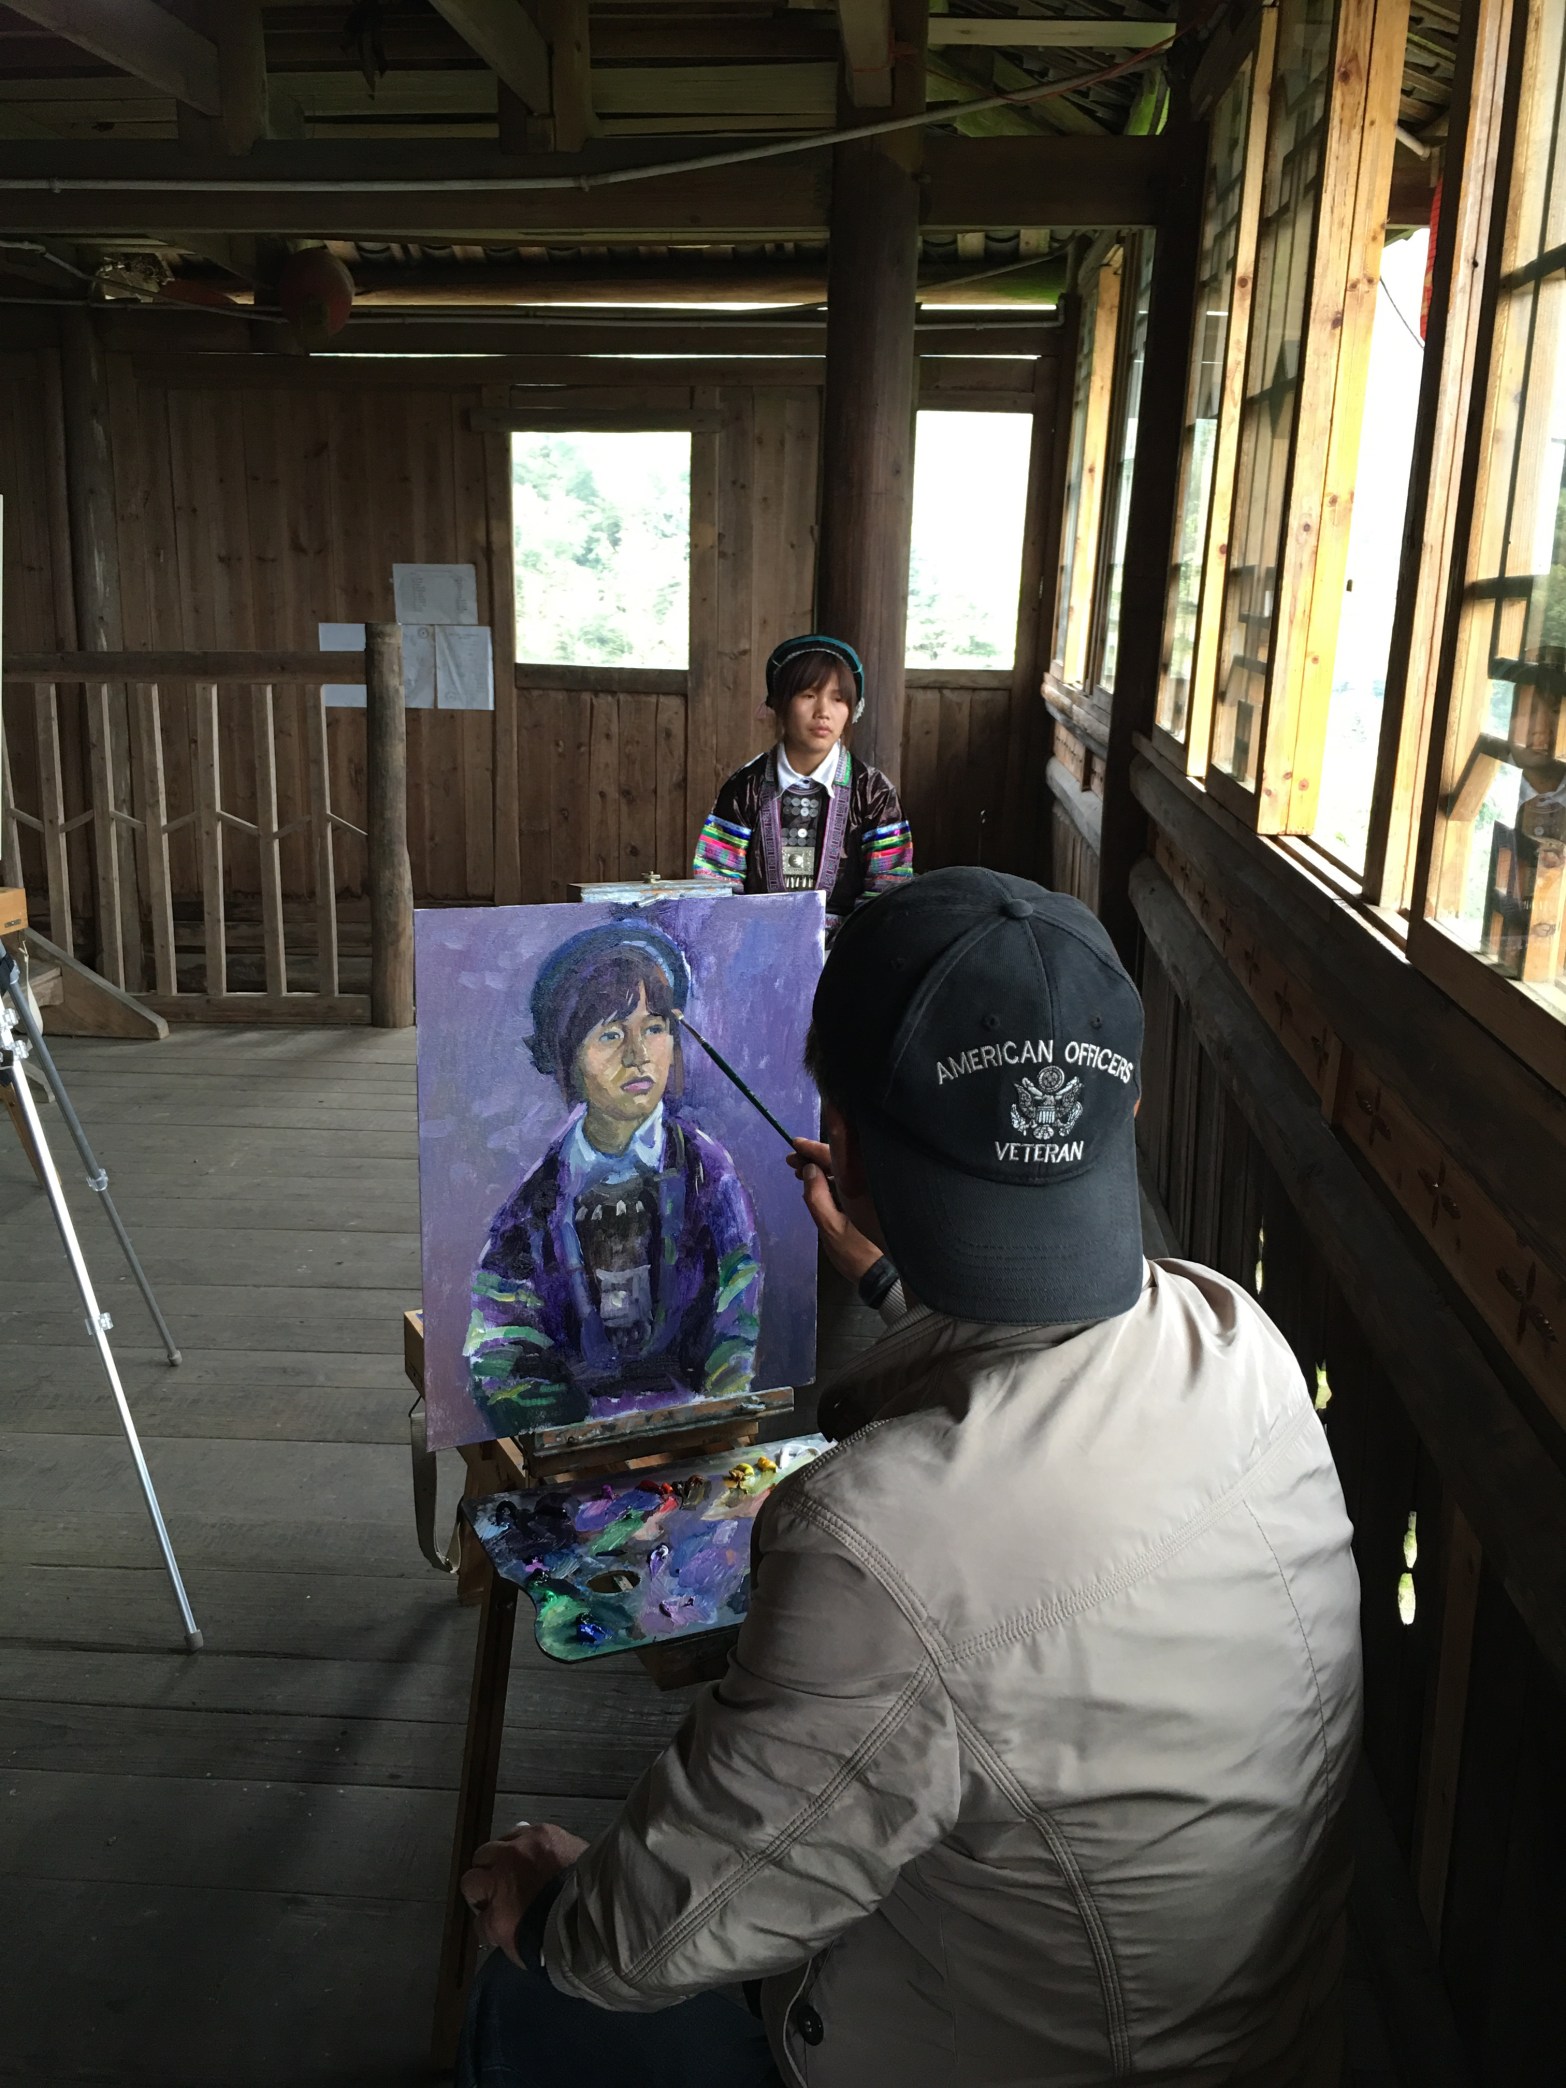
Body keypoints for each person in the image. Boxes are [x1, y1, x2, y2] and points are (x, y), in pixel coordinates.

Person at [458, 869, 1364, 2088]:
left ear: (839, 1144)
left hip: (1040, 2057)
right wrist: (890, 1280)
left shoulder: (878, 1544)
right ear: (1131, 1108)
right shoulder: (1235, 1338)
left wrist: (551, 1912)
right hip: (1252, 2029)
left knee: (527, 2005)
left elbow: (654, 1933)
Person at [464, 921, 762, 1436]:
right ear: (567, 1055)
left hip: (695, 1434)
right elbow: (500, 1349)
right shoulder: (535, 1206)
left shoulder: (708, 1176)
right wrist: (570, 1432)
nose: (637, 1054)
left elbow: (737, 1321)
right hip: (572, 1446)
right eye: (610, 1034)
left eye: (654, 1028)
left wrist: (710, 1418)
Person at [691, 633, 913, 932]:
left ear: (852, 709)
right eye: (808, 695)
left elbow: (889, 888)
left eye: (838, 699)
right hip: (757, 943)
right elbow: (717, 882)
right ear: (779, 702)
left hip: (847, 950)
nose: (823, 712)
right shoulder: (745, 788)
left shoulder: (874, 792)